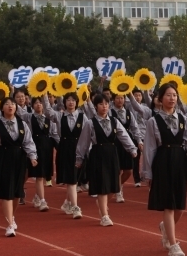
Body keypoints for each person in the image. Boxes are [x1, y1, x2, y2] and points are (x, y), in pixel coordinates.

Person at [142, 83, 187, 256]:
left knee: (180, 204)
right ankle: (173, 244)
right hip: (163, 161)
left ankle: (165, 227)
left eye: (174, 95)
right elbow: (149, 148)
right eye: (168, 95)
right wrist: (147, 173)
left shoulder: (183, 119)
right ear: (160, 99)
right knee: (169, 204)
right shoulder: (153, 121)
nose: (172, 98)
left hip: (180, 160)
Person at [77, 94, 137, 226]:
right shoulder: (90, 123)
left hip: (112, 154)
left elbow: (124, 135)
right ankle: (104, 215)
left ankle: (102, 204)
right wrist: (79, 158)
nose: (104, 107)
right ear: (96, 106)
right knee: (102, 184)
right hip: (98, 154)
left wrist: (132, 149)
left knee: (113, 185)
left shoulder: (115, 121)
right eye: (100, 104)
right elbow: (83, 142)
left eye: (106, 104)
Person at [0, 97, 38, 237]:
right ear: (2, 108)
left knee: (16, 193)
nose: (10, 106)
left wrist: (32, 157)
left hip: (19, 160)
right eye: (6, 104)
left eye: (12, 104)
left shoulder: (23, 124)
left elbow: (29, 142)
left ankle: (11, 217)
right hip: (3, 159)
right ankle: (8, 225)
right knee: (7, 192)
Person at [43, 92, 87, 219]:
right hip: (65, 148)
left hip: (79, 148)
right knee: (72, 179)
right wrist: (44, 95)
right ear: (64, 102)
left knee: (74, 179)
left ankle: (67, 203)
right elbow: (48, 111)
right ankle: (75, 207)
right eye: (68, 100)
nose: (71, 102)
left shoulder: (82, 117)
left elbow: (88, 133)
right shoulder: (59, 115)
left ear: (77, 102)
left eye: (73, 100)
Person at [16, 96, 58, 211]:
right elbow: (18, 110)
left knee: (44, 175)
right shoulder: (29, 117)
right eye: (36, 103)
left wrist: (59, 146)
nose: (38, 105)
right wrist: (12, 91)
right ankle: (43, 201)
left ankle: (36, 196)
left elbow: (54, 134)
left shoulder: (49, 119)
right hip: (34, 147)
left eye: (40, 103)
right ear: (32, 105)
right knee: (38, 175)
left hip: (47, 148)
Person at [109, 92, 143, 202]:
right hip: (115, 143)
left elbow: (135, 128)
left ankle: (119, 185)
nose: (120, 100)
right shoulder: (110, 112)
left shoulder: (129, 113)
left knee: (128, 170)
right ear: (113, 100)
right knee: (117, 169)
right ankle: (118, 192)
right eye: (117, 98)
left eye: (122, 98)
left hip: (128, 142)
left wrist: (139, 141)